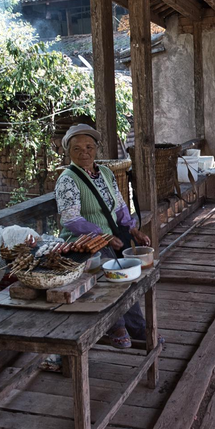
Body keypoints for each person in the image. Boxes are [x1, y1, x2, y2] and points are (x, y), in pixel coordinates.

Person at [54, 123, 151, 348]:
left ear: (96, 149)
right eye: (77, 149)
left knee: (128, 278)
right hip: (81, 242)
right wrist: (102, 237)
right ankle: (116, 327)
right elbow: (71, 219)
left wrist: (131, 227)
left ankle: (137, 329)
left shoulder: (105, 172)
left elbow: (118, 205)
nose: (84, 152)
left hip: (110, 237)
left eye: (89, 147)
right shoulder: (67, 179)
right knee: (114, 275)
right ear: (69, 152)